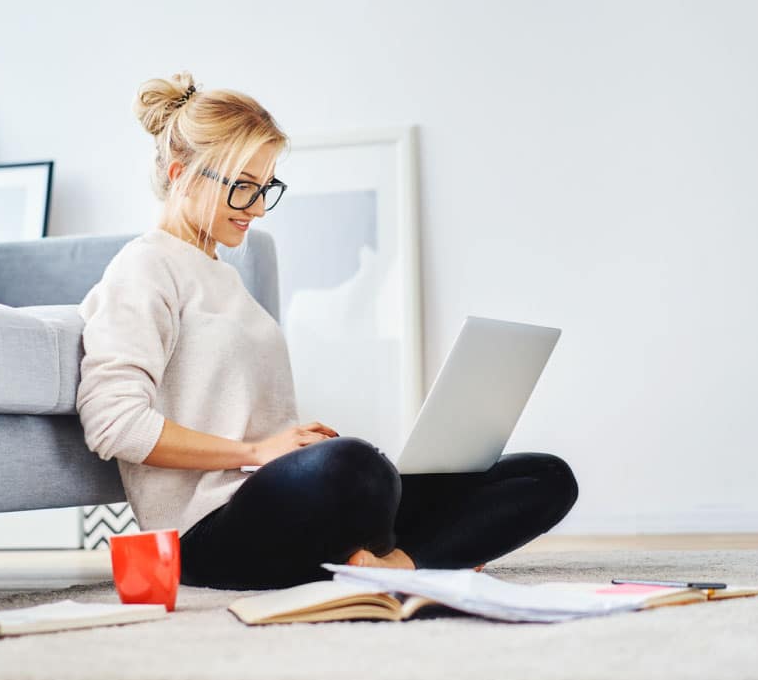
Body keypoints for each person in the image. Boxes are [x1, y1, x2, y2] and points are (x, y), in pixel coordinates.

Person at [75, 71, 579, 591]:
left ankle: (396, 565)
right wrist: (255, 453)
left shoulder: (223, 277)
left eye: (265, 187)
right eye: (242, 187)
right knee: (357, 469)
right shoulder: (143, 268)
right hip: (206, 533)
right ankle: (426, 549)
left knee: (543, 476)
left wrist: (292, 446)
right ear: (182, 175)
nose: (255, 207)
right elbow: (114, 423)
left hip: (281, 502)